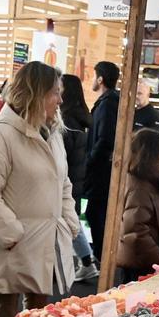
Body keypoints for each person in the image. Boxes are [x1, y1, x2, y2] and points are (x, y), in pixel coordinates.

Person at [0, 62, 78, 317]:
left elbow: (63, 182)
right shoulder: (1, 136)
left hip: (44, 242)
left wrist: (68, 220)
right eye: (55, 92)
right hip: (14, 245)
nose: (60, 100)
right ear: (36, 94)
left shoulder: (52, 134)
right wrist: (11, 232)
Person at [117, 129, 159, 283]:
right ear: (151, 155)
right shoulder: (139, 188)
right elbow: (135, 231)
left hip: (143, 261)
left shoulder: (145, 182)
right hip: (140, 265)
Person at [59, 73, 97, 281]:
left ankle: (86, 261)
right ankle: (85, 261)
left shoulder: (66, 120)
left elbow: (62, 153)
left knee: (68, 220)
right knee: (71, 219)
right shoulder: (80, 118)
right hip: (77, 177)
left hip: (67, 179)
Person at [85, 61, 119, 262]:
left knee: (96, 213)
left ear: (100, 79)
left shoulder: (108, 103)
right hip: (102, 169)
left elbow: (105, 138)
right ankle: (101, 256)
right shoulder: (108, 101)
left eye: (94, 76)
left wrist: (90, 160)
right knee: (96, 213)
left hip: (101, 171)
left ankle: (101, 257)